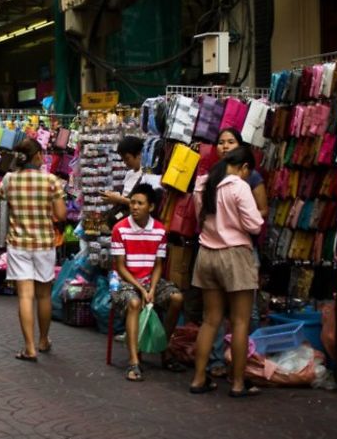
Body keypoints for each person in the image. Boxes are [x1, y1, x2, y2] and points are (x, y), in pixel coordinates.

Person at [189, 145, 264, 397]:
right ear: (243, 167)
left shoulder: (202, 184)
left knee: (210, 320)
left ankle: (199, 378)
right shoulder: (238, 186)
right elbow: (255, 225)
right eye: (247, 172)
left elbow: (197, 217)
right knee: (240, 321)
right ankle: (238, 383)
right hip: (234, 255)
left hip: (207, 254)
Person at [0, 138, 67, 362]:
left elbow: (2, 198)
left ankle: (29, 347)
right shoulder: (51, 180)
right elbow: (61, 215)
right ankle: (43, 339)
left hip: (18, 244)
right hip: (44, 243)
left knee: (25, 296)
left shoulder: (9, 180)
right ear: (37, 155)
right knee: (44, 294)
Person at [111, 184, 185, 381]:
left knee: (177, 298)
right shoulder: (120, 228)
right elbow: (120, 267)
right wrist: (141, 290)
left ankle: (163, 347)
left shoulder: (160, 230)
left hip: (150, 280)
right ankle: (134, 361)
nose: (134, 207)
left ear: (151, 207)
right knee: (134, 303)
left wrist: (151, 289)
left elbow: (158, 265)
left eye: (139, 203)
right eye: (132, 202)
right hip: (125, 281)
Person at [102, 135, 161, 212]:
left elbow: (145, 204)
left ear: (139, 154)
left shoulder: (147, 176)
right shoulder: (129, 174)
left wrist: (119, 200)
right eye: (123, 160)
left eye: (127, 159)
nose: (125, 163)